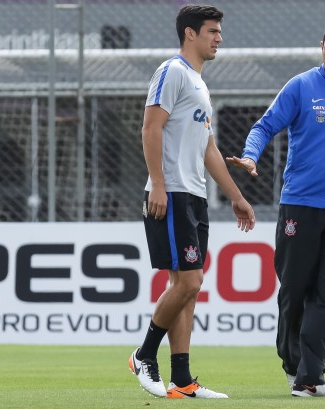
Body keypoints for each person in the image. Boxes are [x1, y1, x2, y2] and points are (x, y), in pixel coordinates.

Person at [227, 20, 325, 398]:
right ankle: (292, 364)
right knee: (295, 291)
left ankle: (310, 376)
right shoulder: (301, 86)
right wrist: (251, 157)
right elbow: (264, 127)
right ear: (322, 47)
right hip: (300, 204)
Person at [128, 4, 255, 399]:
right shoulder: (172, 72)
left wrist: (236, 196)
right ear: (190, 34)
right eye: (212, 31)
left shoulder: (199, 83)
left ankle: (181, 380)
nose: (219, 37)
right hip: (172, 193)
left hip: (195, 196)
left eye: (219, 31)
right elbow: (150, 126)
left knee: (187, 287)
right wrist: (159, 184)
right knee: (188, 281)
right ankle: (144, 355)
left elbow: (208, 148)